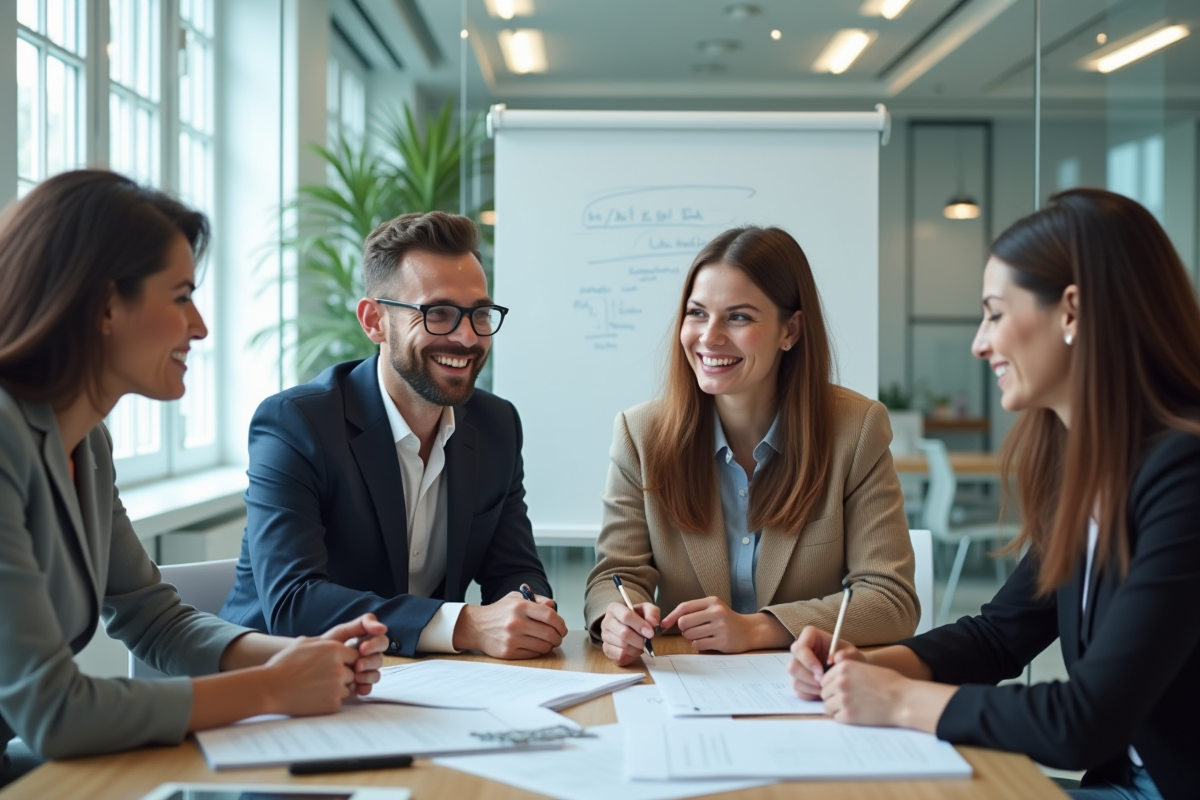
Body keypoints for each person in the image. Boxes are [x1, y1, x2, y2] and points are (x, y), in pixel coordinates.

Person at [788, 188, 1200, 800]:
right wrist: (872, 665)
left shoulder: (1183, 475)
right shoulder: (1089, 470)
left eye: (995, 313)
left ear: (1072, 312)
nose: (981, 343)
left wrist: (902, 701)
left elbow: (1085, 721)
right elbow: (1000, 635)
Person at [0, 171, 389, 788]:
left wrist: (297, 657)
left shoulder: (87, 443)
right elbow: (54, 713)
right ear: (104, 305)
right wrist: (270, 688)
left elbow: (153, 618)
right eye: (181, 296)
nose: (200, 326)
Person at [220, 211, 567, 660]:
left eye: (480, 314)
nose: (467, 337)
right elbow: (294, 602)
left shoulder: (495, 425)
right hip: (277, 684)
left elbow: (514, 568)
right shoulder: (296, 424)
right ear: (374, 321)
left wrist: (528, 607)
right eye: (438, 313)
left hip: (420, 685)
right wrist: (464, 624)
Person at [584, 225, 919, 665]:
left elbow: (890, 599)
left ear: (791, 330)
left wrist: (758, 627)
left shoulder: (855, 430)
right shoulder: (640, 433)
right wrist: (615, 617)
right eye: (697, 313)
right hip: (684, 684)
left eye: (738, 317)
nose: (709, 336)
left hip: (802, 686)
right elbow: (617, 575)